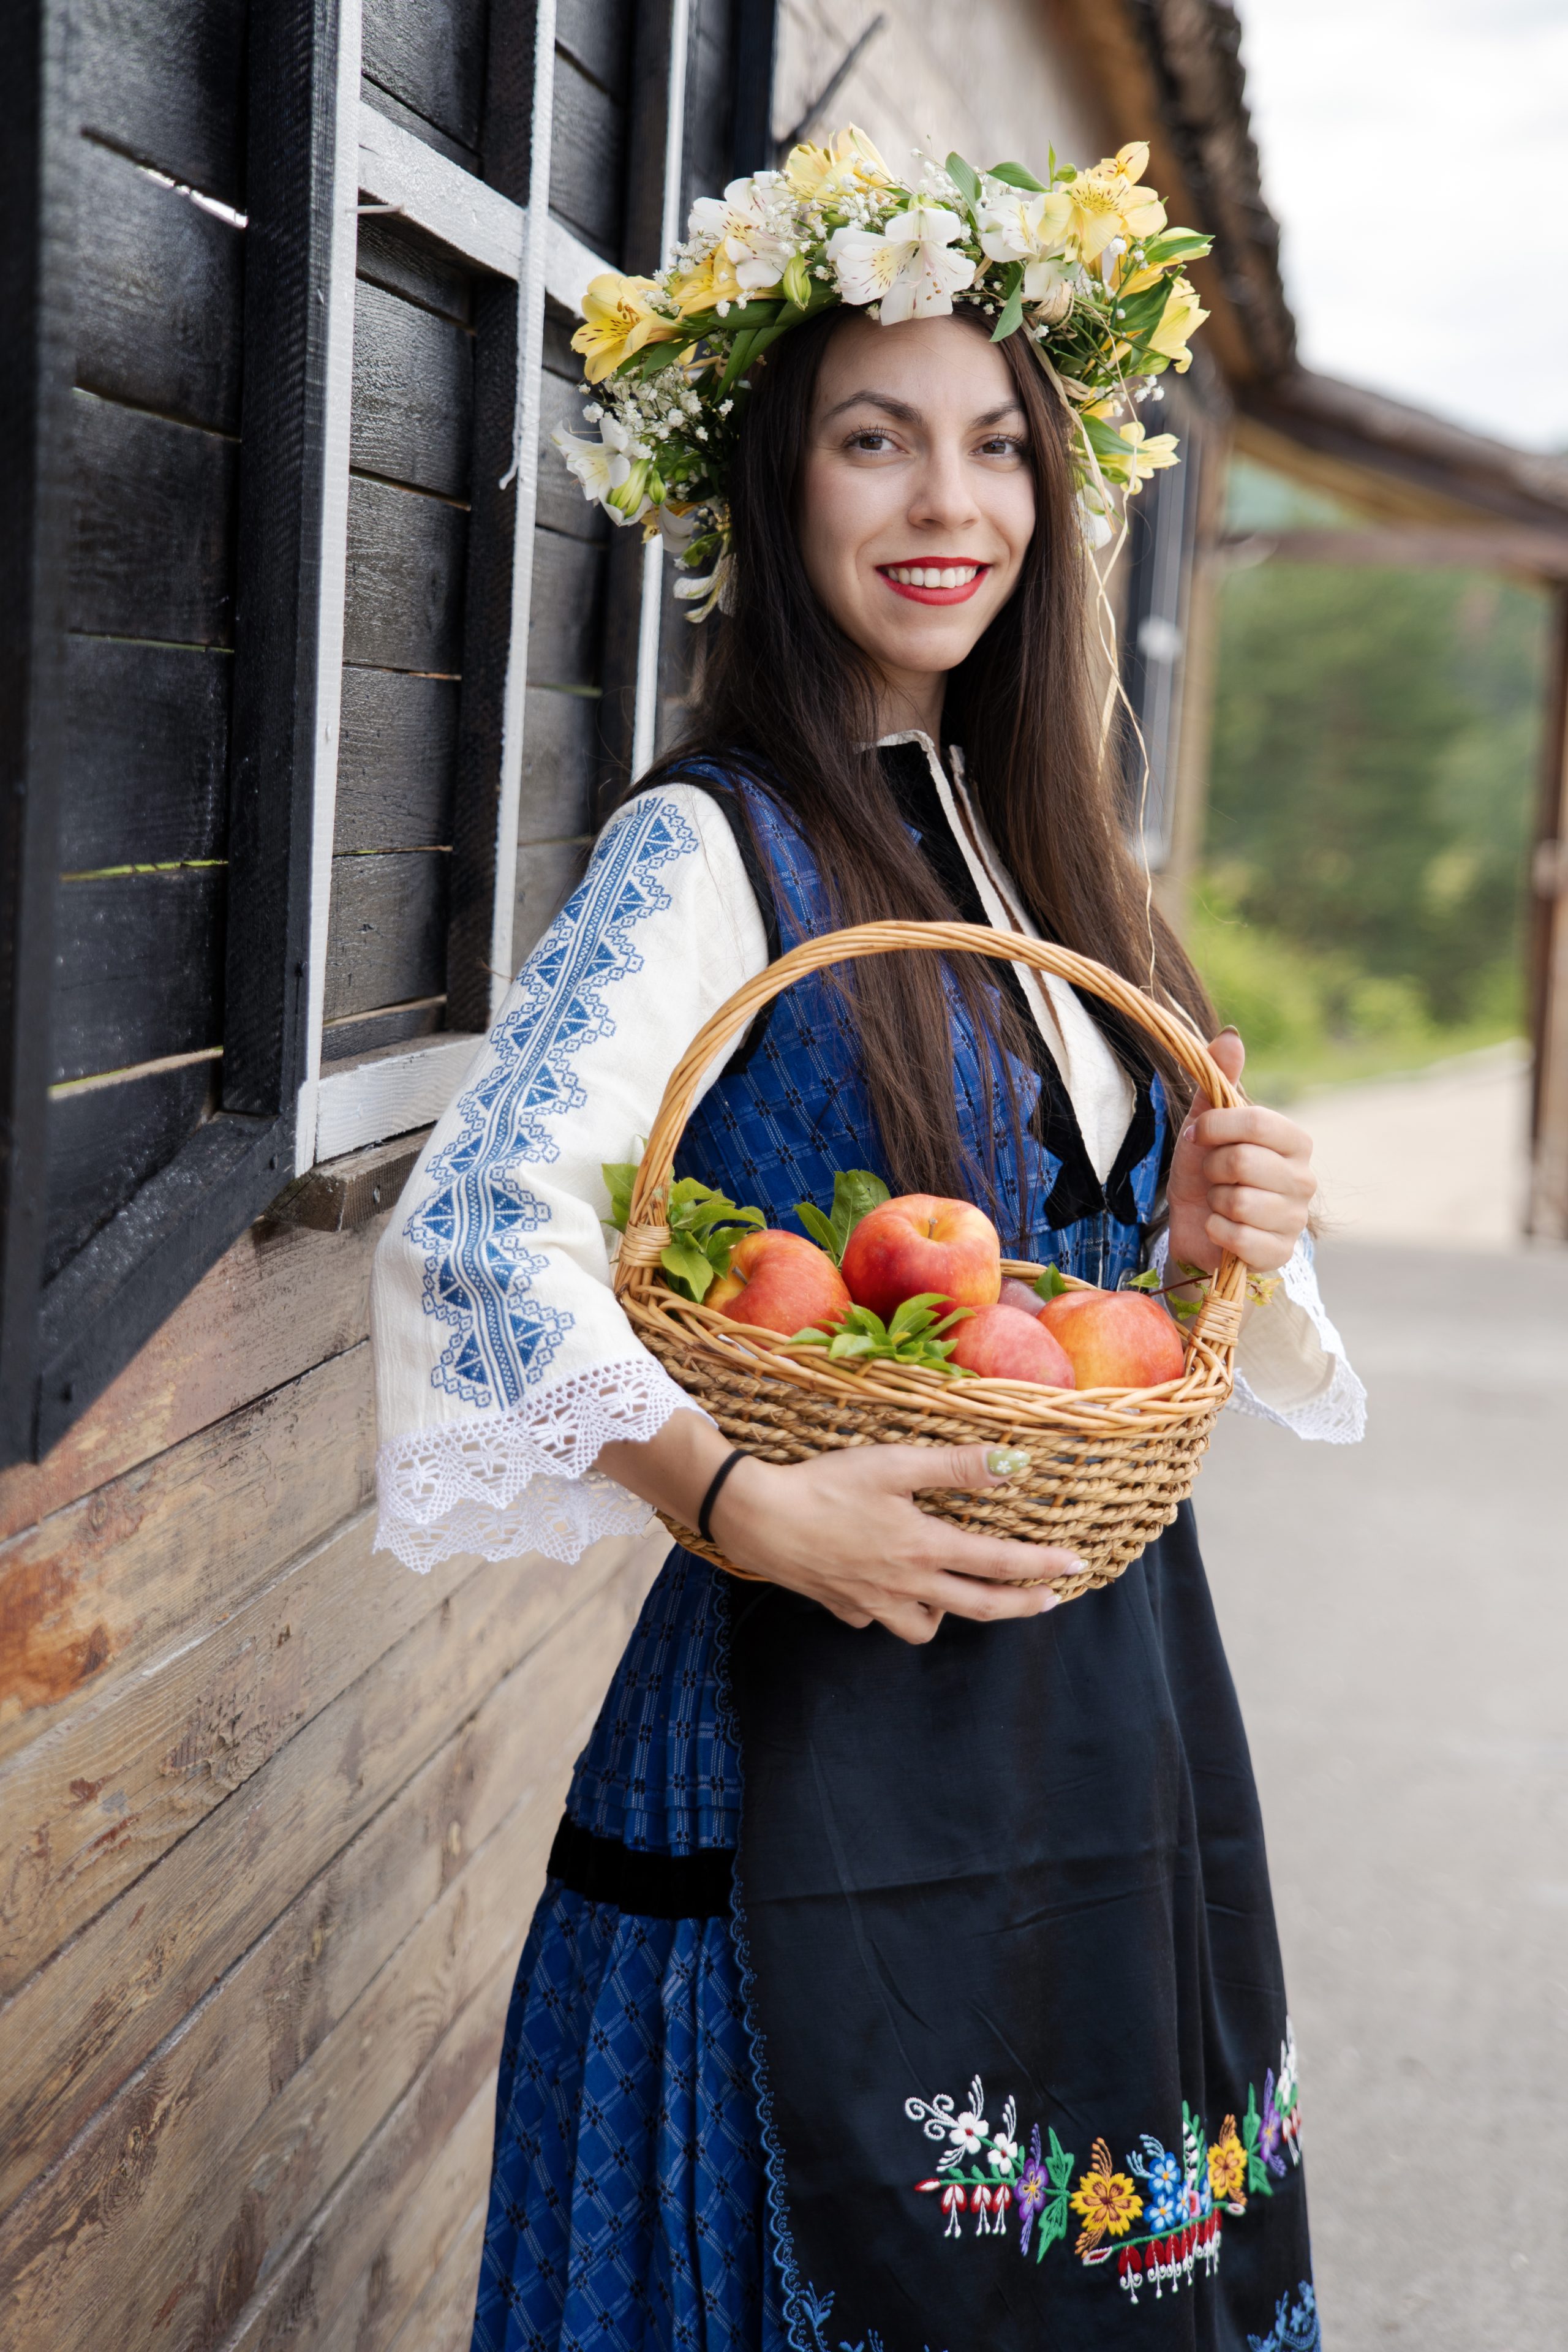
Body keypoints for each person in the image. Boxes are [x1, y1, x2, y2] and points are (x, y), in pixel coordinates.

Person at [372, 130, 1360, 2352]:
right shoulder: (710, 849)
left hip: (1102, 1727)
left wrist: (1226, 1225)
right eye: (875, 439)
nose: (949, 506)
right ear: (773, 483)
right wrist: (738, 1498)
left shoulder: (1041, 855)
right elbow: (484, 1226)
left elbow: (1108, 1306)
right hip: (806, 1727)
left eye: (999, 446)